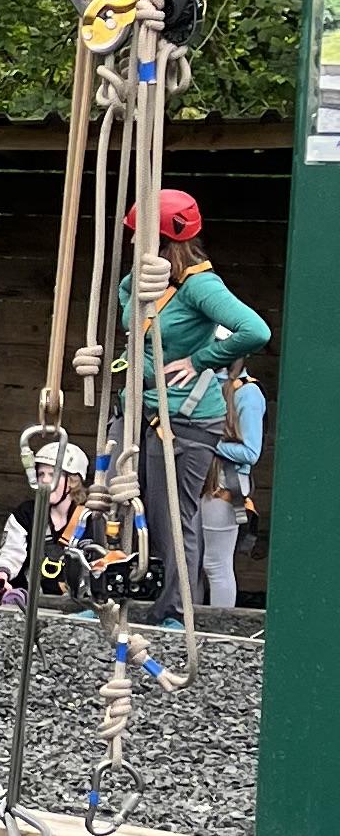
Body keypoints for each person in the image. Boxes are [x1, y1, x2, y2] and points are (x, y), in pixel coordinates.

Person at [126, 191, 271, 620]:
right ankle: (112, 599)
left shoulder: (200, 286)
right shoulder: (143, 279)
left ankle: (174, 611)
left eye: (139, 234)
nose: (133, 242)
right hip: (142, 406)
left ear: (164, 240)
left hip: (185, 419)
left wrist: (200, 360)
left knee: (173, 518)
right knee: (116, 499)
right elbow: (128, 311)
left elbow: (255, 330)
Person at [196, 362, 265, 612]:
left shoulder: (248, 392)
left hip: (225, 484)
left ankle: (219, 627)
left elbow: (251, 452)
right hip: (198, 480)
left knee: (216, 565)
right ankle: (188, 623)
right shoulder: (202, 383)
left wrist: (205, 441)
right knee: (191, 562)